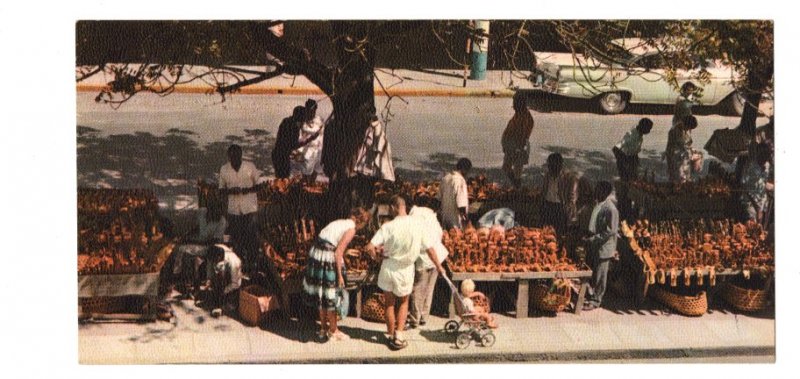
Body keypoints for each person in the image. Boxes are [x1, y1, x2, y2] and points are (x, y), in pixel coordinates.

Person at [365, 195, 446, 351]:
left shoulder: (388, 226)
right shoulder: (417, 225)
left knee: (389, 303)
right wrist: (439, 266)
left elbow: (369, 247)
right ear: (404, 207)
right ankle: (399, 335)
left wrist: (377, 258)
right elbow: (430, 249)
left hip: (388, 267)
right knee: (403, 302)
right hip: (405, 269)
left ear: (394, 207)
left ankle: (389, 333)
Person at [302, 207, 372, 342]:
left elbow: (331, 243)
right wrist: (340, 275)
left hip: (317, 254)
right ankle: (334, 330)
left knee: (322, 293)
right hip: (328, 258)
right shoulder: (351, 229)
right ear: (361, 222)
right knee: (331, 294)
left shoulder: (339, 222)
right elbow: (337, 252)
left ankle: (323, 328)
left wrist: (344, 254)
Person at [219, 144, 264, 273]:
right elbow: (221, 190)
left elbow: (260, 185)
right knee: (237, 239)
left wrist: (247, 190)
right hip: (234, 210)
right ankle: (238, 267)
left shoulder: (250, 167)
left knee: (252, 238)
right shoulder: (224, 169)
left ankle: (253, 266)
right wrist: (230, 191)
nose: (234, 161)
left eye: (237, 158)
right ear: (229, 157)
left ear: (241, 156)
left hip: (249, 209)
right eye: (232, 158)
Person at [407, 202, 449, 329]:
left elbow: (415, 239)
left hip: (426, 256)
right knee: (429, 288)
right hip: (437, 254)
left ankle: (415, 318)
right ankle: (424, 317)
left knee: (418, 288)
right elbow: (439, 232)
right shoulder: (428, 213)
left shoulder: (413, 217)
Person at [171, 204, 227, 296]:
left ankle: (190, 282)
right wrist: (185, 236)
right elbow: (197, 227)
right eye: (212, 212)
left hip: (211, 248)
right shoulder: (202, 212)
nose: (215, 214)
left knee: (185, 251)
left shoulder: (221, 221)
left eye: (218, 213)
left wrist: (192, 241)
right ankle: (180, 279)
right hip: (199, 242)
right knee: (179, 248)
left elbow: (213, 242)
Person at [582, 181, 619, 311]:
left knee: (600, 274)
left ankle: (596, 300)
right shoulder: (597, 204)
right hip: (594, 244)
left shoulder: (611, 209)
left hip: (603, 246)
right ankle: (591, 294)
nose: (595, 192)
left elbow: (610, 231)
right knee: (593, 270)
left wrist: (593, 239)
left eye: (597, 190)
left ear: (604, 192)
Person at [540, 153, 578, 237]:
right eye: (549, 165)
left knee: (559, 233)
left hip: (560, 207)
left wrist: (568, 213)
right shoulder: (547, 175)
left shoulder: (569, 178)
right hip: (548, 205)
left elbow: (572, 198)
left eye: (552, 165)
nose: (550, 168)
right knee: (546, 232)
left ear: (559, 165)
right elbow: (544, 190)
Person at [501, 93, 534, 188]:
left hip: (517, 148)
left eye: (515, 103)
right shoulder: (519, 114)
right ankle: (516, 187)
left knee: (516, 171)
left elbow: (521, 136)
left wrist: (515, 150)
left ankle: (517, 188)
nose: (513, 106)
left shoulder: (525, 118)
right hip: (511, 147)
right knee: (507, 168)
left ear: (521, 104)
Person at [353, 112, 396, 182]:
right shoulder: (372, 127)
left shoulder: (376, 127)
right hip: (371, 149)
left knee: (374, 166)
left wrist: (376, 148)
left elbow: (378, 141)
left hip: (373, 150)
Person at [204, 244, 243, 317]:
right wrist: (208, 279)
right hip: (223, 269)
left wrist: (224, 291)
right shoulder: (213, 250)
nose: (213, 262)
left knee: (230, 291)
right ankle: (217, 297)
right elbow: (209, 265)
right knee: (216, 280)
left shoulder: (234, 263)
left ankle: (227, 304)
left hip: (232, 276)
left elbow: (236, 284)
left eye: (215, 261)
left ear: (219, 258)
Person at [738, 143, 773, 224]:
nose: (767, 156)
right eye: (764, 154)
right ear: (759, 153)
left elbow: (763, 183)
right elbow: (745, 188)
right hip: (751, 206)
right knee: (751, 230)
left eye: (769, 154)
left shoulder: (767, 166)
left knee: (759, 232)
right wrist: (757, 209)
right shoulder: (751, 167)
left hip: (762, 204)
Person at [291, 99, 325, 180]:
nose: (311, 113)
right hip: (307, 151)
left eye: (313, 111)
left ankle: (311, 184)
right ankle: (305, 185)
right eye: (309, 110)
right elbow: (299, 137)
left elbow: (323, 134)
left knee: (317, 169)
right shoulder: (302, 121)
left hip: (319, 150)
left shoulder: (320, 120)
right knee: (306, 172)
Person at [272, 106, 305, 179]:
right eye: (303, 118)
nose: (304, 121)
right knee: (283, 180)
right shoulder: (294, 127)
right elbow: (293, 145)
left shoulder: (286, 121)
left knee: (280, 179)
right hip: (282, 157)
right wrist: (309, 140)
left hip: (277, 154)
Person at [439, 158, 472, 230]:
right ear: (465, 169)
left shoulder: (445, 178)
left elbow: (439, 198)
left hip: (445, 219)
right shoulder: (460, 180)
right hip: (456, 222)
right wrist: (467, 221)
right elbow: (461, 204)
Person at [666, 115, 699, 184]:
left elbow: (688, 143)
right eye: (689, 128)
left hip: (683, 157)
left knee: (685, 177)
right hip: (676, 157)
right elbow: (679, 145)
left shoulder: (685, 130)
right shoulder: (675, 131)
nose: (689, 129)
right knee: (678, 178)